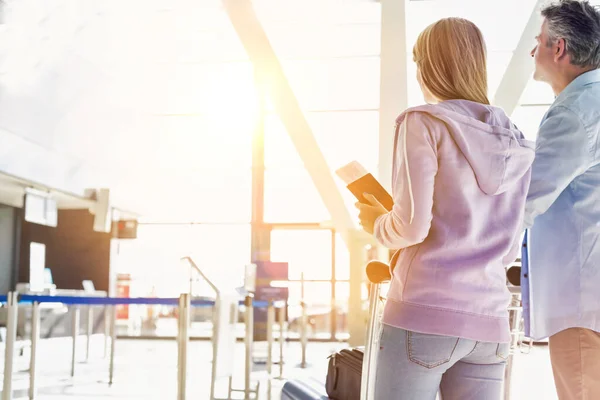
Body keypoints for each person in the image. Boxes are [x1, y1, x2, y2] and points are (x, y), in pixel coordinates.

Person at [356, 18, 535, 399]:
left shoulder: (422, 122)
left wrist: (377, 222)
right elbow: (507, 244)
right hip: (490, 325)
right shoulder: (515, 140)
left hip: (423, 313)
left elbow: (411, 227)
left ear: (428, 66)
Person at [522, 1, 600, 398]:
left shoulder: (574, 111)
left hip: (581, 302)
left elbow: (526, 199)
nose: (532, 51)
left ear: (559, 48)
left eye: (538, 41)